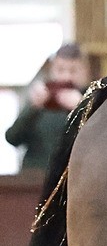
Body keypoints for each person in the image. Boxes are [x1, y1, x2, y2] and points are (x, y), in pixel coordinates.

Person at [5, 43, 88, 175]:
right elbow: (12, 138)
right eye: (60, 70)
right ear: (52, 70)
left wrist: (82, 107)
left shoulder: (93, 100)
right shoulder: (40, 100)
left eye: (73, 71)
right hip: (34, 180)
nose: (66, 77)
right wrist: (33, 108)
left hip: (74, 180)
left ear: (84, 71)